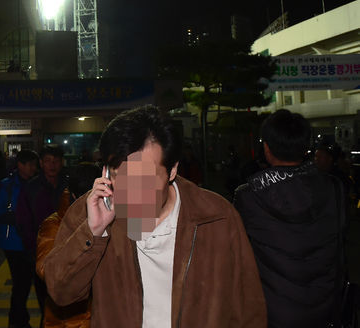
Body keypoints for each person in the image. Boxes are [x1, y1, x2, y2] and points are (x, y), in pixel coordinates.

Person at [43, 105, 266, 328]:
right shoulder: (91, 211)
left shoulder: (216, 217)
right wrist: (93, 232)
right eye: (119, 175)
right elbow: (61, 293)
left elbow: (248, 308)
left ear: (172, 170)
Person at [234, 109, 346, 328]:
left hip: (272, 311)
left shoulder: (249, 196)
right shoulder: (333, 187)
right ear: (305, 147)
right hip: (326, 306)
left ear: (267, 148)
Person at [36, 162, 100, 328]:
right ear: (73, 195)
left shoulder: (111, 217)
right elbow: (46, 271)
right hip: (68, 320)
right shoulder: (54, 225)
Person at [16, 144, 68, 314]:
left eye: (56, 161)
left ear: (62, 162)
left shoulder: (68, 185)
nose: (52, 165)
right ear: (41, 163)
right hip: (41, 252)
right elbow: (23, 221)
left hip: (68, 251)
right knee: (44, 299)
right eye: (48, 161)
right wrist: (33, 250)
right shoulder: (31, 188)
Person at [0, 150, 39, 328]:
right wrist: (21, 218)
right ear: (20, 165)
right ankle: (18, 321)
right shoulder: (7, 185)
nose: (33, 168)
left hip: (31, 240)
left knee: (23, 284)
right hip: (13, 242)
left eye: (35, 164)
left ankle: (18, 320)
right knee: (21, 283)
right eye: (30, 164)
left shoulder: (36, 184)